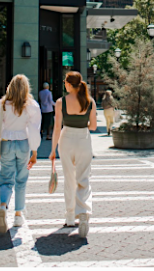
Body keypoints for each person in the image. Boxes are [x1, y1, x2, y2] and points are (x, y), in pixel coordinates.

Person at [0, 74, 41, 234]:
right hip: (23, 142)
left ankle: (3, 206)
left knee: (5, 178)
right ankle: (18, 214)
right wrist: (34, 151)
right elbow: (34, 130)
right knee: (21, 179)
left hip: (5, 142)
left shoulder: (1, 104)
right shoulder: (31, 105)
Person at [50, 71, 97, 239]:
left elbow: (56, 127)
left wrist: (52, 149)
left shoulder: (60, 102)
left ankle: (70, 216)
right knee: (83, 178)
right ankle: (83, 212)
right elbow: (93, 126)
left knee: (69, 178)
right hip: (84, 138)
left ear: (69, 84)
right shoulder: (90, 101)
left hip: (67, 139)